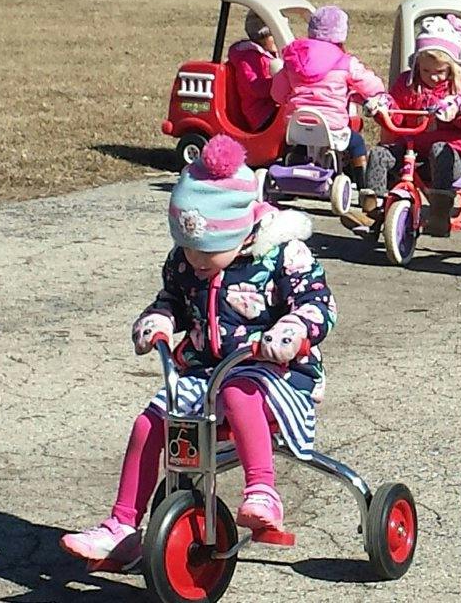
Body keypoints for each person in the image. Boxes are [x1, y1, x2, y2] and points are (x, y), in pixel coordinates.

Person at [60, 135, 335, 570]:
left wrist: (292, 330)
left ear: (242, 231)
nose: (196, 259)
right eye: (188, 247)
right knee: (149, 424)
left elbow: (318, 305)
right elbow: (172, 298)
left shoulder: (283, 255)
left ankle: (263, 490)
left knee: (237, 394)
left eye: (207, 250)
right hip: (207, 369)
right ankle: (122, 526)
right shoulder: (187, 260)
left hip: (273, 370)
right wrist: (160, 319)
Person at [369, 15, 461, 235]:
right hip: (414, 149)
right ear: (417, 65)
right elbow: (397, 115)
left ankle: (439, 212)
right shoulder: (409, 83)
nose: (432, 78)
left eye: (440, 72)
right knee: (379, 154)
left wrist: (459, 107)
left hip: (454, 153)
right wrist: (383, 107)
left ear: (454, 67)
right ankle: (373, 207)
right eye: (425, 71)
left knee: (440, 151)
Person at [270, 5, 387, 188]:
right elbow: (372, 85)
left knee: (302, 142)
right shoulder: (345, 62)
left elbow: (277, 94)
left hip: (296, 126)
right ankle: (364, 187)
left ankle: (294, 172)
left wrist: (288, 98)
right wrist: (376, 94)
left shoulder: (294, 59)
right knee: (356, 142)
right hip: (333, 127)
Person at [225, 0, 284, 131]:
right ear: (262, 37)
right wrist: (278, 83)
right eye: (273, 35)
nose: (277, 39)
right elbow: (255, 88)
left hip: (273, 107)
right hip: (260, 115)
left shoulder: (270, 54)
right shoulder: (248, 58)